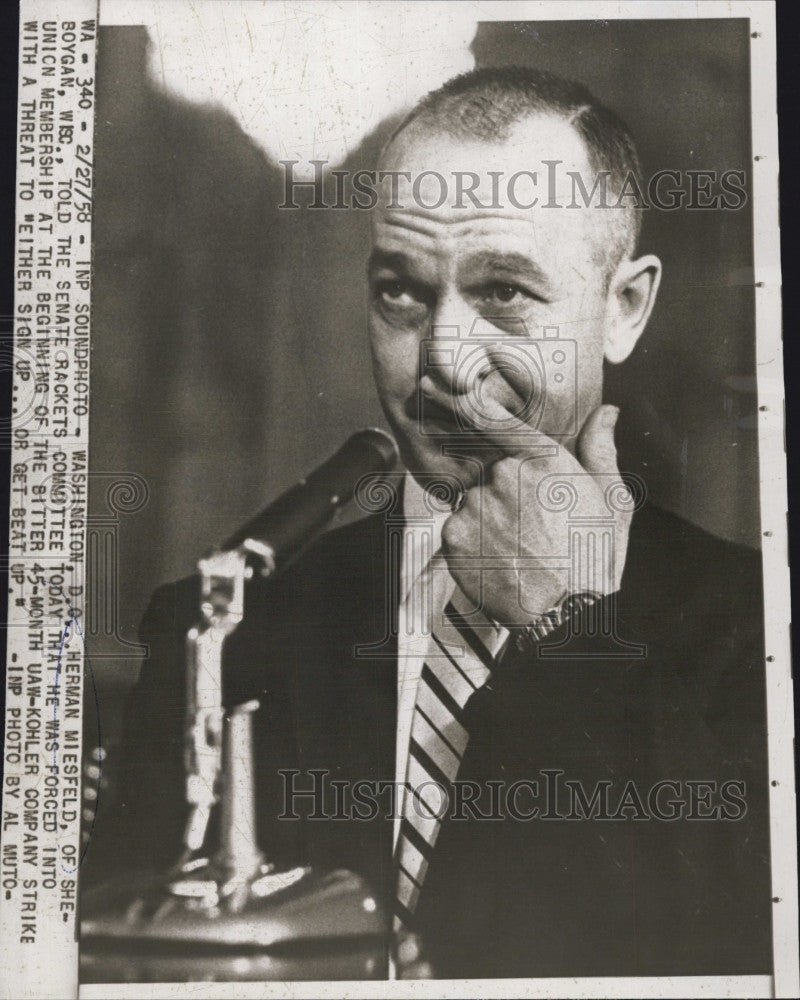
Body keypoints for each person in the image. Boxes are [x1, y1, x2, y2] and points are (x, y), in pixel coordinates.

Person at [88, 67, 772, 979]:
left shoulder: (759, 634)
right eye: (401, 292)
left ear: (624, 307)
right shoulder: (227, 627)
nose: (443, 359)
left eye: (504, 292)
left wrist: (567, 633)